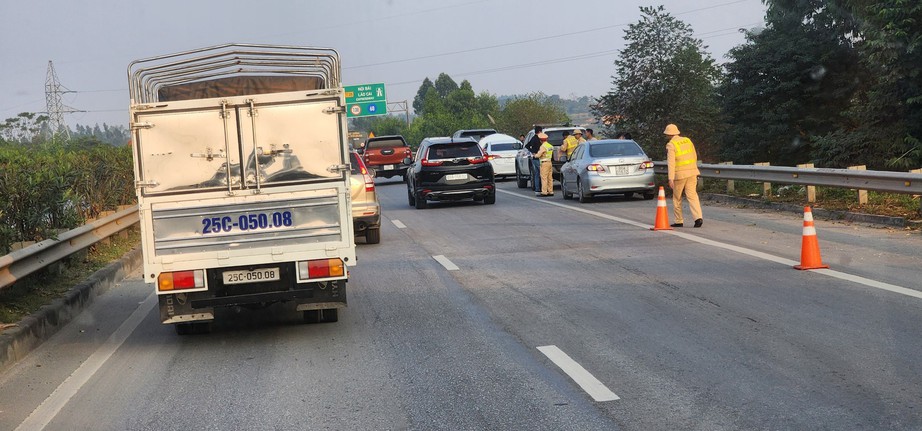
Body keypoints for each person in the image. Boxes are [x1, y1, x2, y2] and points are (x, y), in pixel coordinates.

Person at [664, 124, 703, 228]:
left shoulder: (671, 145)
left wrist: (670, 178)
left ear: (668, 134)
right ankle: (698, 218)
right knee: (693, 196)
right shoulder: (687, 140)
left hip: (679, 175)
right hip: (692, 173)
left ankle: (679, 220)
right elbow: (694, 156)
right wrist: (695, 169)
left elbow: (671, 163)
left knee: (677, 198)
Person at [524, 126, 544, 195]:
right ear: (539, 132)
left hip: (535, 158)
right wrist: (533, 152)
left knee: (537, 174)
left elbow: (527, 146)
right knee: (541, 173)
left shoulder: (533, 138)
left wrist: (532, 151)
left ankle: (537, 189)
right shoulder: (538, 139)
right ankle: (542, 189)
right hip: (538, 158)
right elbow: (527, 146)